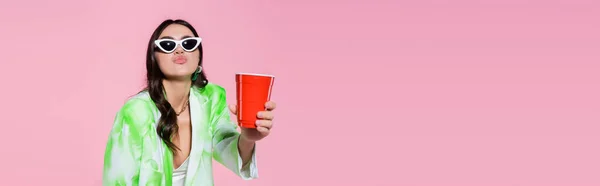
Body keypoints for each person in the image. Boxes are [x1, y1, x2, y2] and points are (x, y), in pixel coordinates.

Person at [102, 19, 276, 186]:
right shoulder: (136, 111)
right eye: (168, 45)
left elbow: (229, 151)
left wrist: (248, 137)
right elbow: (118, 181)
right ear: (154, 58)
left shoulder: (211, 99)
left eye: (188, 44)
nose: (179, 50)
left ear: (199, 55)